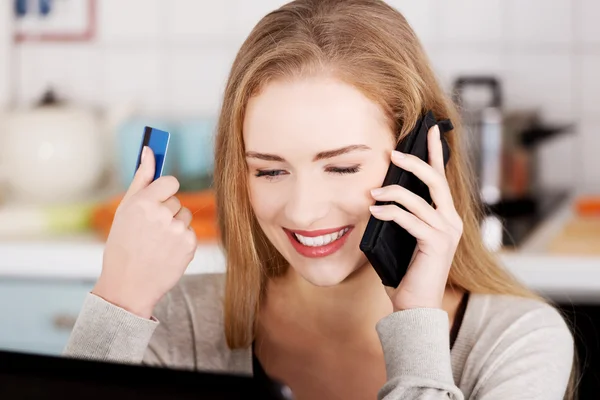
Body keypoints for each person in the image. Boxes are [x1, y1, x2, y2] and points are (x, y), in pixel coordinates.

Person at [63, 1, 577, 399]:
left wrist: (417, 321)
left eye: (342, 166)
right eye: (269, 169)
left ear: (422, 156)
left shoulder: (516, 342)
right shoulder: (179, 323)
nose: (303, 210)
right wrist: (117, 304)